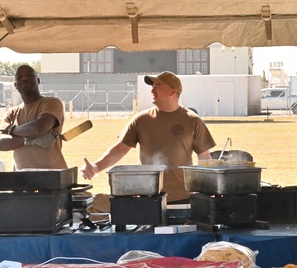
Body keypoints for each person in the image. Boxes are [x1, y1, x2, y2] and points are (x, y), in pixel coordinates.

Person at [81, 72, 216, 202]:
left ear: (173, 92)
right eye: (152, 87)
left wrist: (210, 188)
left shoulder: (192, 120)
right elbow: (120, 149)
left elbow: (204, 158)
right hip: (149, 196)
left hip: (183, 197)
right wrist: (96, 167)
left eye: (158, 87)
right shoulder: (141, 120)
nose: (152, 91)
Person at [0, 65, 67, 169]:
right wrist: (28, 140)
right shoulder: (12, 113)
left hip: (52, 177)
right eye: (19, 77)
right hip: (22, 180)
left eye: (29, 75)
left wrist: (11, 130)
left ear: (38, 80)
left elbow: (38, 128)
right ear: (15, 85)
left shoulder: (51, 103)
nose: (24, 78)